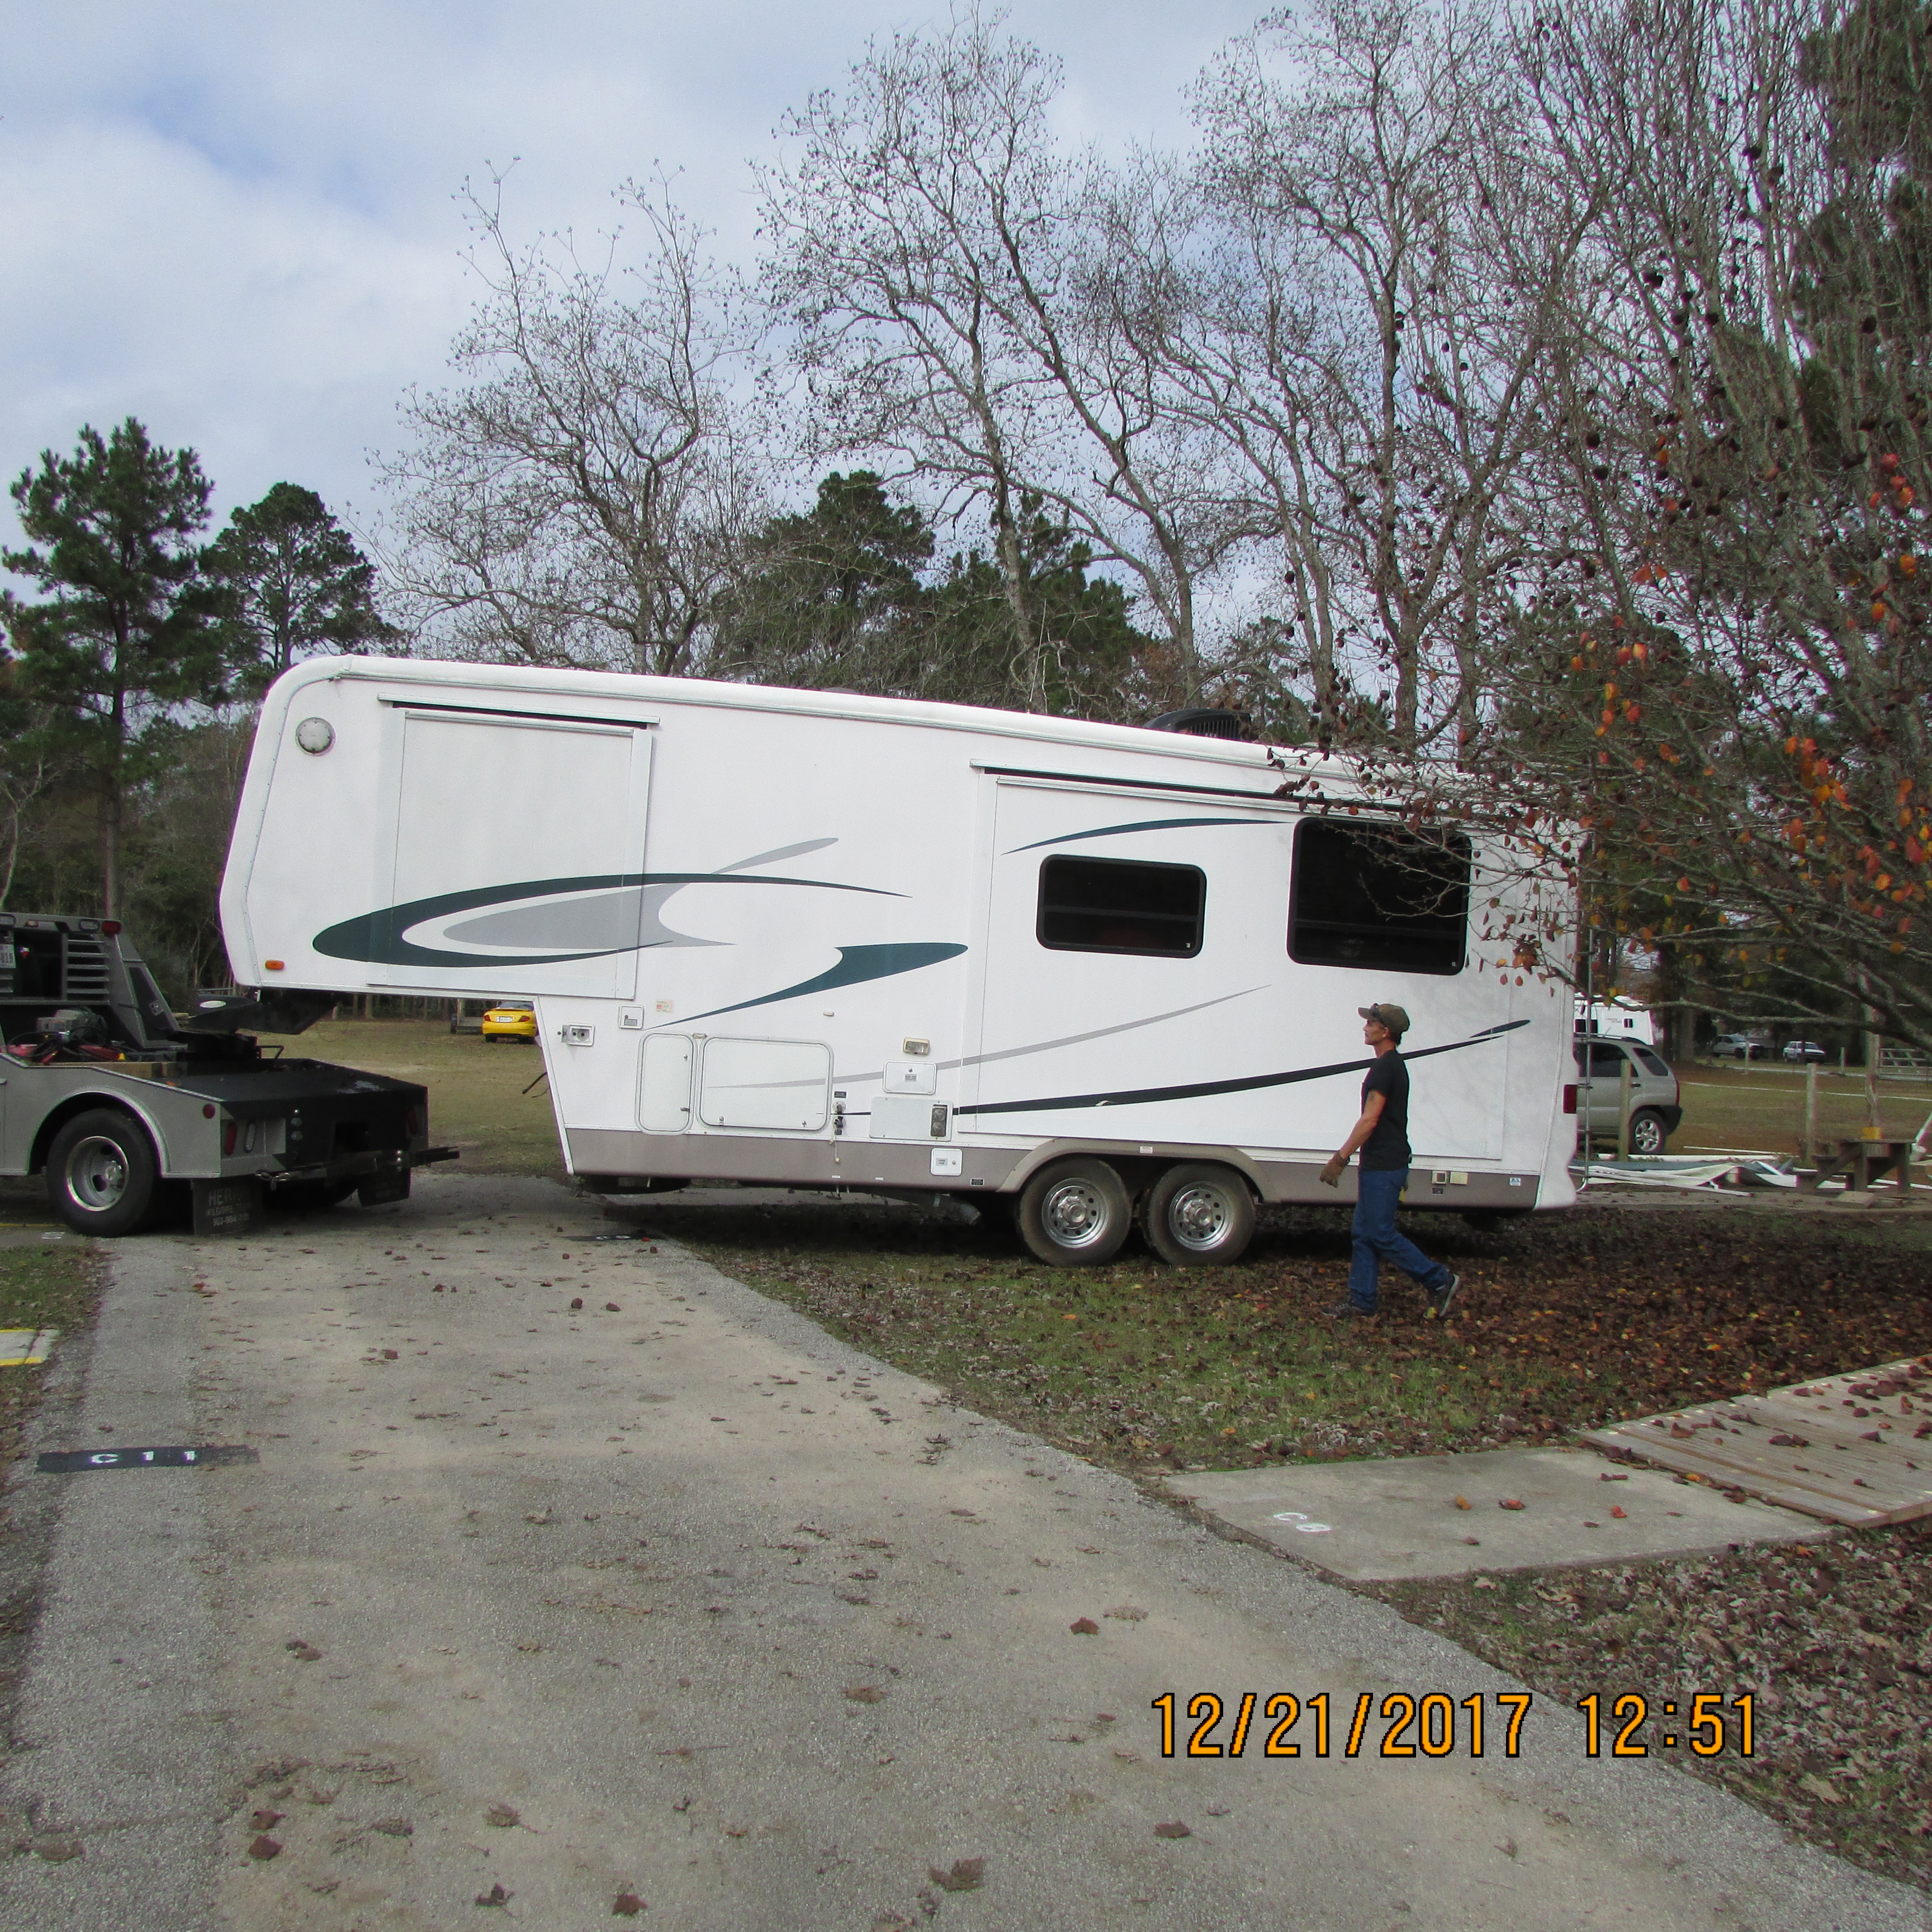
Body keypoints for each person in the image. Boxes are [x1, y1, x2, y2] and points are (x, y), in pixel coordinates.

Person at [1318, 1002, 1460, 1320]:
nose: (1365, 1027)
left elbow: (1370, 1119)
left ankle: (1440, 1280)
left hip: (1385, 1165)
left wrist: (1340, 1158)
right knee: (1364, 1233)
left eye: (1371, 1024)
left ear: (1385, 1032)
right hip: (1379, 1162)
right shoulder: (1390, 1065)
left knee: (1380, 1233)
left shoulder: (1386, 1068)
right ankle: (1362, 1301)